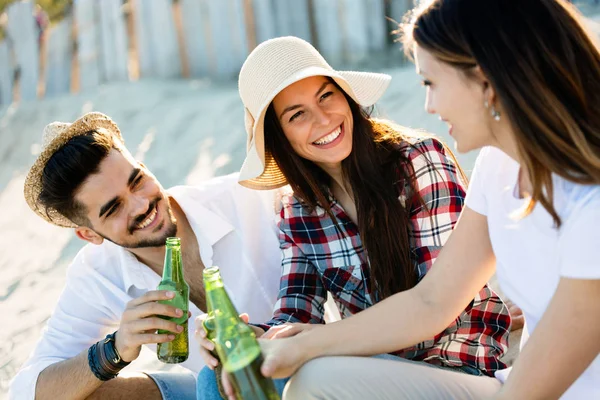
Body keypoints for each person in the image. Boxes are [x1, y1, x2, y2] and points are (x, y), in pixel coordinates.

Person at [255, 1, 600, 399]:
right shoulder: (496, 167)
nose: (428, 106)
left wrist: (311, 344)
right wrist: (291, 342)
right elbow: (432, 301)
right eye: (297, 115)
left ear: (485, 80)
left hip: (506, 383)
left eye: (429, 83)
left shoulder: (590, 204)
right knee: (305, 380)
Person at [197, 36, 515, 399]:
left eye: (325, 96)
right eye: (297, 114)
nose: (323, 118)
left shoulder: (417, 161)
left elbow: (437, 311)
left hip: (457, 371)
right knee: (216, 378)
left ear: (345, 95)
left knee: (311, 380)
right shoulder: (297, 210)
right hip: (370, 369)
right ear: (280, 135)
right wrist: (253, 338)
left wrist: (313, 343)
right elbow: (296, 315)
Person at [9, 112, 283, 400]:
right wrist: (115, 349)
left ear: (142, 166)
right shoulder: (96, 273)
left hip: (297, 366)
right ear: (89, 235)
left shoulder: (245, 196)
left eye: (137, 181)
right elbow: (26, 392)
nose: (140, 205)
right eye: (114, 208)